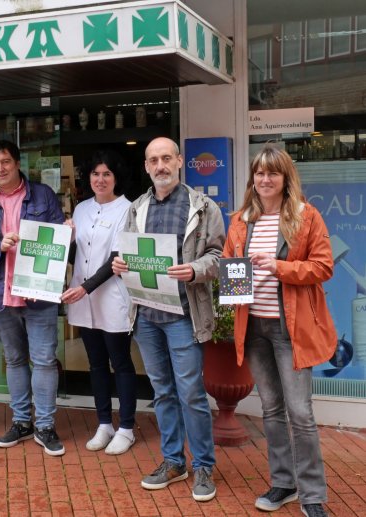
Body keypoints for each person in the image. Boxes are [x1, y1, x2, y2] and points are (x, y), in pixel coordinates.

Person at [223, 144, 335, 517]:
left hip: (291, 330)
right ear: (252, 178)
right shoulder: (240, 220)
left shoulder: (306, 217)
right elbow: (230, 268)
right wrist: (235, 279)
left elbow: (322, 267)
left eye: (272, 173)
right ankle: (283, 483)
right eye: (259, 173)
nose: (265, 179)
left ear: (285, 178)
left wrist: (277, 266)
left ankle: (313, 494)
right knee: (271, 409)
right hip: (253, 326)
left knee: (300, 413)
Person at [112, 137, 224, 501]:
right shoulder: (137, 208)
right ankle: (174, 461)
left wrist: (194, 269)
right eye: (153, 160)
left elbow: (218, 257)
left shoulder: (202, 207)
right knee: (162, 392)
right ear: (146, 166)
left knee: (191, 392)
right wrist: (120, 265)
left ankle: (203, 465)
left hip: (183, 315)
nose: (160, 166)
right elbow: (127, 252)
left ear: (179, 161)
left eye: (166, 158)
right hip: (146, 315)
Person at [0, 140, 66, 456]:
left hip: (38, 293)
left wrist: (64, 232)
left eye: (5, 162)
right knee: (16, 359)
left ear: (17, 163)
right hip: (0, 294)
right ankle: (22, 422)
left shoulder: (43, 195)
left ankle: (45, 426)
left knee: (45, 360)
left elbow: (58, 238)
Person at [61, 150, 136, 455]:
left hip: (111, 297)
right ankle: (104, 423)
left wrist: (85, 288)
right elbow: (75, 256)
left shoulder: (127, 209)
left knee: (120, 362)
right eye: (95, 174)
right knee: (95, 364)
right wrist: (64, 241)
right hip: (83, 297)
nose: (100, 179)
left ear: (116, 177)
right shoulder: (80, 210)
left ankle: (127, 427)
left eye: (106, 174)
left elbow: (116, 257)